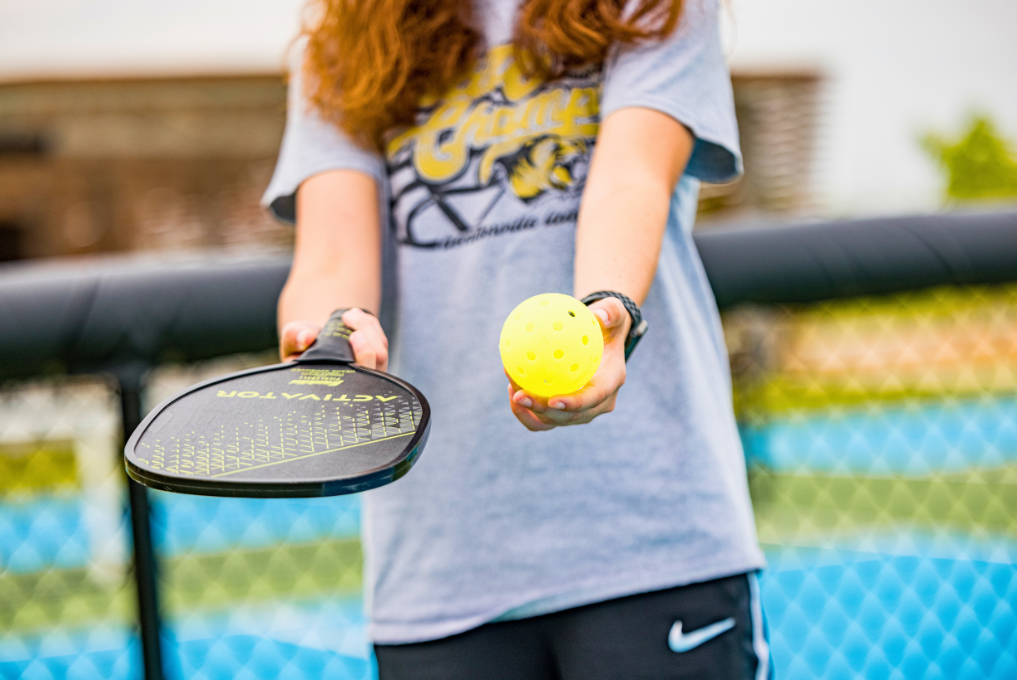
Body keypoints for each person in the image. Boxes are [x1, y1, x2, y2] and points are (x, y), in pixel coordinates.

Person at [262, 0, 771, 675]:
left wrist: (606, 310)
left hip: (654, 546)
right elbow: (329, 258)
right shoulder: (343, 40)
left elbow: (633, 177)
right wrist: (330, 339)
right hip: (437, 576)